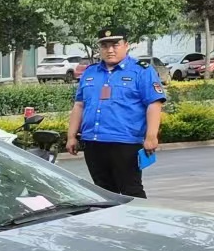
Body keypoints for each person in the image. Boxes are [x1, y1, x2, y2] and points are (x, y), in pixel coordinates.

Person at [66, 28, 165, 198]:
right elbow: (79, 105)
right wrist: (71, 136)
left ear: (126, 45)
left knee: (131, 191)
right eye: (105, 46)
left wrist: (151, 136)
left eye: (115, 45)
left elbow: (154, 104)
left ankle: (139, 216)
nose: (110, 50)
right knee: (103, 192)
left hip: (125, 142)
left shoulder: (141, 71)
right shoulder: (90, 72)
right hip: (93, 141)